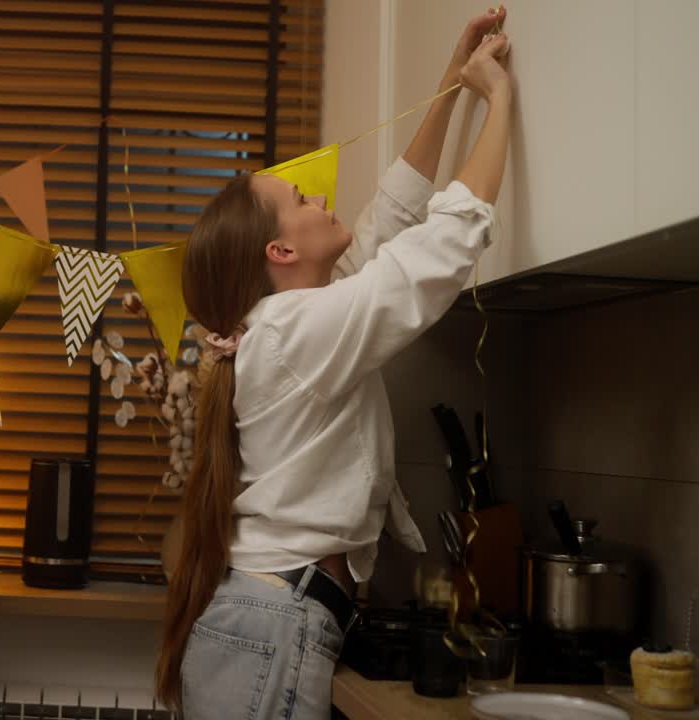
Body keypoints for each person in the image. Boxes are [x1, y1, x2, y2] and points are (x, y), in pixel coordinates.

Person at [156, 8, 513, 718]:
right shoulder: (291, 331)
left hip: (268, 621)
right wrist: (500, 102)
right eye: (299, 200)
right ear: (280, 254)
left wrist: (453, 81)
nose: (320, 197)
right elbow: (431, 256)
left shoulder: (286, 325)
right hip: (276, 624)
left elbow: (395, 215)